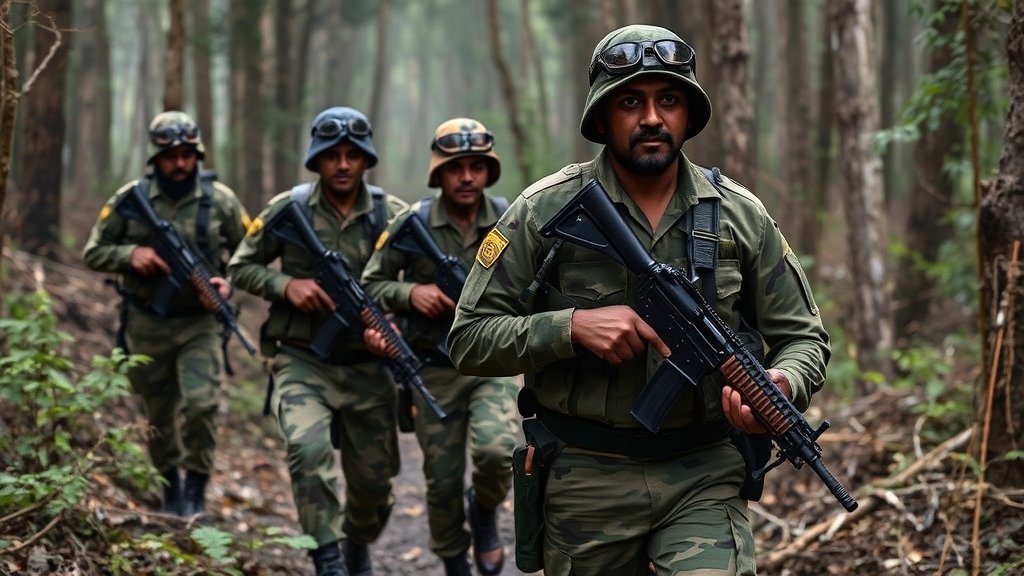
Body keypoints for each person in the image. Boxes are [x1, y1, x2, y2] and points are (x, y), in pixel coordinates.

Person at [447, 24, 830, 576]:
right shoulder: (543, 211)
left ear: (689, 115)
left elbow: (803, 336)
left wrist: (783, 382)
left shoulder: (740, 215)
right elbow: (468, 339)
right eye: (631, 101)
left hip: (704, 472)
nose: (652, 117)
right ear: (602, 117)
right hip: (585, 475)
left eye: (668, 99)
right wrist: (571, 327)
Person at [228, 106, 407, 576]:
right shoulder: (288, 209)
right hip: (303, 360)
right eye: (333, 156)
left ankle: (357, 541)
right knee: (308, 451)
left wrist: (395, 328)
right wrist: (287, 287)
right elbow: (240, 267)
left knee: (374, 485)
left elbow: (421, 285)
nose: (343, 164)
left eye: (353, 155)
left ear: (366, 159)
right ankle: (327, 555)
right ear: (317, 159)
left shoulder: (393, 215)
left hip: (369, 368)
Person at [361, 118, 519, 576]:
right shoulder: (411, 223)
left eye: (476, 166)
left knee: (495, 452)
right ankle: (453, 561)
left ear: (489, 171)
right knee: (442, 481)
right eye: (455, 168)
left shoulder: (511, 218)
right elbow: (372, 282)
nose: (466, 176)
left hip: (493, 362)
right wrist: (412, 294)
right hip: (434, 368)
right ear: (439, 174)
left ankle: (485, 510)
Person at [82, 111, 250, 518]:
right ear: (156, 158)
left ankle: (196, 488)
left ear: (198, 155)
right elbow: (93, 252)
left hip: (201, 323)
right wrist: (131, 254)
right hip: (146, 323)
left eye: (186, 155)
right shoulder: (129, 199)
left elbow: (251, 256)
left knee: (201, 404)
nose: (179, 163)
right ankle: (170, 487)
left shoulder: (221, 200)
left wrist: (227, 284)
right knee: (157, 413)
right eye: (170, 155)